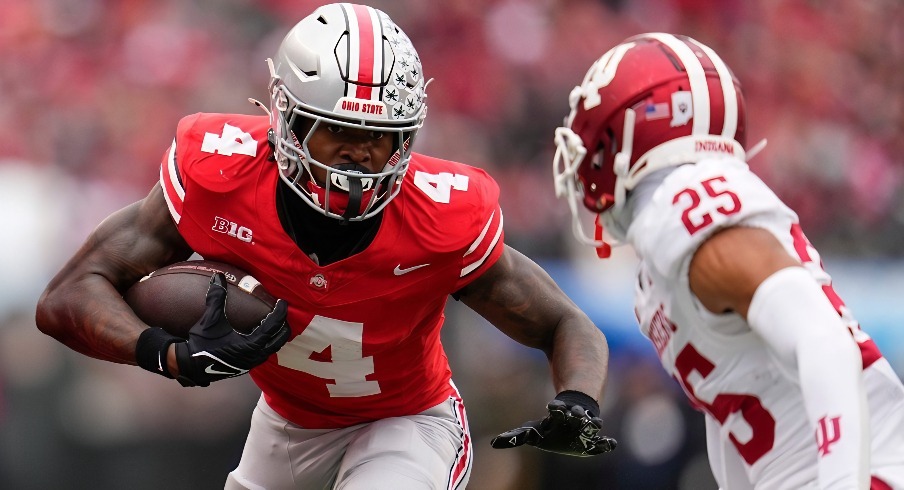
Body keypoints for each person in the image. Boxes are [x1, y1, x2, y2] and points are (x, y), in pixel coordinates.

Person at [35, 3, 616, 489]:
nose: (361, 154)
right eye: (340, 130)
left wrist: (578, 402)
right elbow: (66, 296)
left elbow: (565, 323)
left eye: (380, 138)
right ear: (287, 119)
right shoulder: (219, 177)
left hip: (407, 420)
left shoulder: (443, 216)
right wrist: (164, 354)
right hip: (286, 425)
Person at [552, 32, 904, 489]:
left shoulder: (682, 208)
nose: (584, 158)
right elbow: (729, 413)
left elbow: (828, 345)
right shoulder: (659, 256)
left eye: (596, 136)